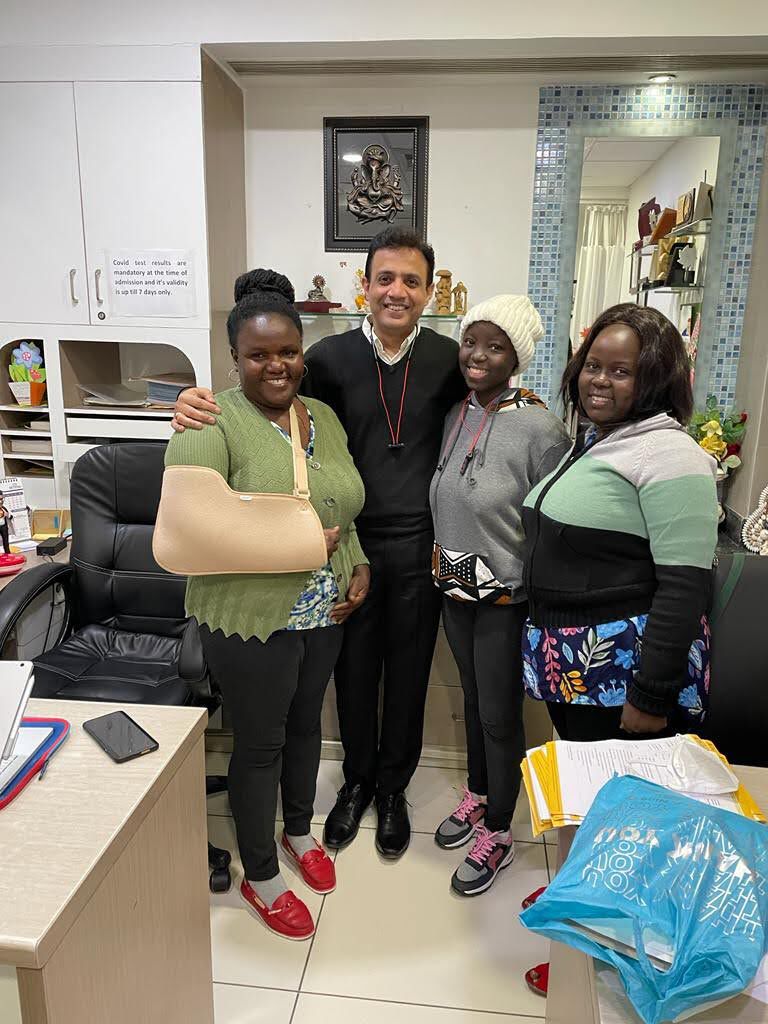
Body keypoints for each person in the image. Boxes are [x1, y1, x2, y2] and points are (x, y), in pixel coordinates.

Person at [172, 227, 465, 859]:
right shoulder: (327, 359)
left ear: (428, 290)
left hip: (415, 544)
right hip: (337, 550)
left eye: (412, 281)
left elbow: (487, 407)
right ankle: (356, 783)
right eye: (385, 278)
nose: (397, 292)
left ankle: (393, 790)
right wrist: (192, 405)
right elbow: (275, 426)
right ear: (365, 284)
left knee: (408, 677)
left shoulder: (447, 359)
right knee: (352, 678)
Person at [520, 302, 718, 996]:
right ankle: (586, 928)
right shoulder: (603, 440)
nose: (598, 381)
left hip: (625, 684)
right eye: (593, 365)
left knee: (627, 831)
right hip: (579, 678)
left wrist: (650, 696)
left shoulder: (672, 454)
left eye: (622, 371)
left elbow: (685, 587)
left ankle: (600, 963)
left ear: (656, 379)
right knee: (593, 815)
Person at [164, 269, 369, 942]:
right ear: (235, 358)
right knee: (259, 744)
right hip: (250, 615)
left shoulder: (325, 418)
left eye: (286, 351)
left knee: (309, 724)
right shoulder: (210, 418)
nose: (275, 365)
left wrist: (356, 560)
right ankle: (260, 873)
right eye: (258, 355)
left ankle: (299, 831)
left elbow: (339, 505)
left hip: (323, 609)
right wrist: (302, 538)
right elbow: (195, 531)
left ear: (301, 349)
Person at [429, 295, 569, 896]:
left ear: (519, 356)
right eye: (471, 342)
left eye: (495, 346)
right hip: (454, 588)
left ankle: (500, 834)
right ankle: (481, 794)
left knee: (498, 715)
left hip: (504, 600)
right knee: (474, 702)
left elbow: (554, 522)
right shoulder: (458, 411)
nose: (477, 356)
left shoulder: (539, 427)